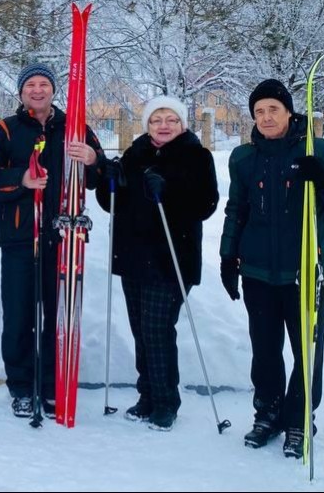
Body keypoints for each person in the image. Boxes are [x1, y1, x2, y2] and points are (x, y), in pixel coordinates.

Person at [220, 78, 324, 457]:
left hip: (305, 271)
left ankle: (299, 420)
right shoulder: (244, 158)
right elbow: (237, 210)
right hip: (258, 274)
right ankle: (268, 413)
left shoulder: (320, 150)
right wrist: (227, 257)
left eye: (273, 109)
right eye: (259, 111)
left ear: (289, 112)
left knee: (306, 352)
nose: (265, 117)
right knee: (264, 350)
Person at [0, 61, 102, 418]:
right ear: (20, 92)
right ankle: (21, 385)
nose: (37, 90)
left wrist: (92, 158)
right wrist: (21, 180)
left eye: (43, 84)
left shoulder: (74, 128)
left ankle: (50, 383)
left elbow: (99, 176)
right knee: (18, 315)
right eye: (30, 84)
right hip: (20, 238)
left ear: (53, 90)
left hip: (65, 238)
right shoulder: (4, 130)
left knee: (58, 316)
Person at [95, 96, 218, 431]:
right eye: (156, 120)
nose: (164, 126)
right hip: (133, 257)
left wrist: (170, 190)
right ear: (147, 125)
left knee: (157, 330)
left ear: (182, 123)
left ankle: (166, 401)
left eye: (171, 119)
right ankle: (146, 395)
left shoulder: (196, 156)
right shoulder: (135, 154)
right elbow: (112, 204)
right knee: (140, 330)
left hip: (170, 259)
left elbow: (206, 204)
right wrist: (109, 182)